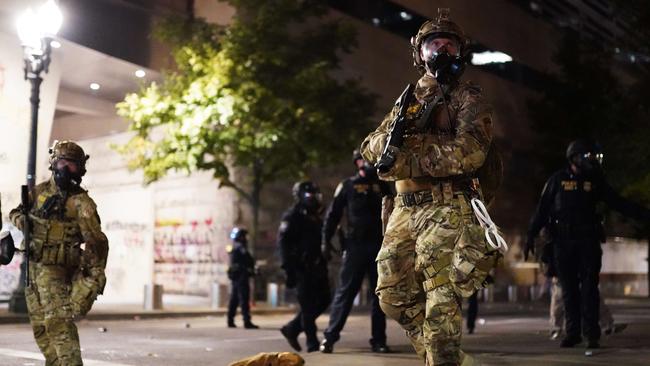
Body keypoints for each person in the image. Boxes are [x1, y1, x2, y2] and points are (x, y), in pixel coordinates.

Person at [360, 8, 501, 365]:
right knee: (391, 294)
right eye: (433, 45)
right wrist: (388, 153)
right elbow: (372, 147)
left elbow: (469, 154)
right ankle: (445, 357)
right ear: (420, 53)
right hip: (404, 208)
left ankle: (442, 358)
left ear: (460, 53)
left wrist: (407, 157)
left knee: (441, 302)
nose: (441, 51)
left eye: (448, 45)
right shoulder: (407, 101)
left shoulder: (468, 98)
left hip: (447, 207)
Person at [526, 139, 650, 349]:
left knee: (590, 289)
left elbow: (618, 202)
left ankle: (592, 334)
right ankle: (572, 333)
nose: (593, 161)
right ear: (574, 158)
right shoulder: (557, 180)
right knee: (569, 289)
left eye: (595, 157)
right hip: (562, 243)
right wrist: (530, 234)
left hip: (588, 241)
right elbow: (542, 209)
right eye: (589, 157)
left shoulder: (595, 181)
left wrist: (644, 214)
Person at [10, 140, 109, 366]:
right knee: (41, 330)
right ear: (54, 162)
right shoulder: (40, 191)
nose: (66, 169)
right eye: (62, 162)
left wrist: (92, 281)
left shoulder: (82, 204)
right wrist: (22, 220)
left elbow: (97, 244)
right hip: (33, 272)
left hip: (59, 273)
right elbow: (16, 212)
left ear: (80, 169)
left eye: (72, 165)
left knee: (60, 328)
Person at [319, 150, 391, 354]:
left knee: (380, 296)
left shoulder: (383, 185)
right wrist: (325, 241)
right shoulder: (347, 186)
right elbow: (332, 216)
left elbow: (395, 212)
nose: (369, 163)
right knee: (345, 293)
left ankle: (379, 340)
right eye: (364, 159)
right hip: (355, 247)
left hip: (378, 246)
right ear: (357, 162)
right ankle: (330, 338)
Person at [277, 181, 331, 352]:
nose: (313, 199)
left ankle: (292, 328)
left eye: (316, 195)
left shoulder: (315, 216)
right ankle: (312, 342)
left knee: (324, 300)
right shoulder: (292, 216)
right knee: (307, 306)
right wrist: (288, 269)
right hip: (301, 267)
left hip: (318, 267)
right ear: (300, 197)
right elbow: (283, 244)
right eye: (309, 195)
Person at [226, 227, 259, 329]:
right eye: (245, 236)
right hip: (241, 276)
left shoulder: (235, 247)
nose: (246, 239)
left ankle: (230, 320)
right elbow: (248, 260)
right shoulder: (241, 248)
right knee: (243, 299)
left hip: (236, 276)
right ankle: (246, 321)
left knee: (234, 299)